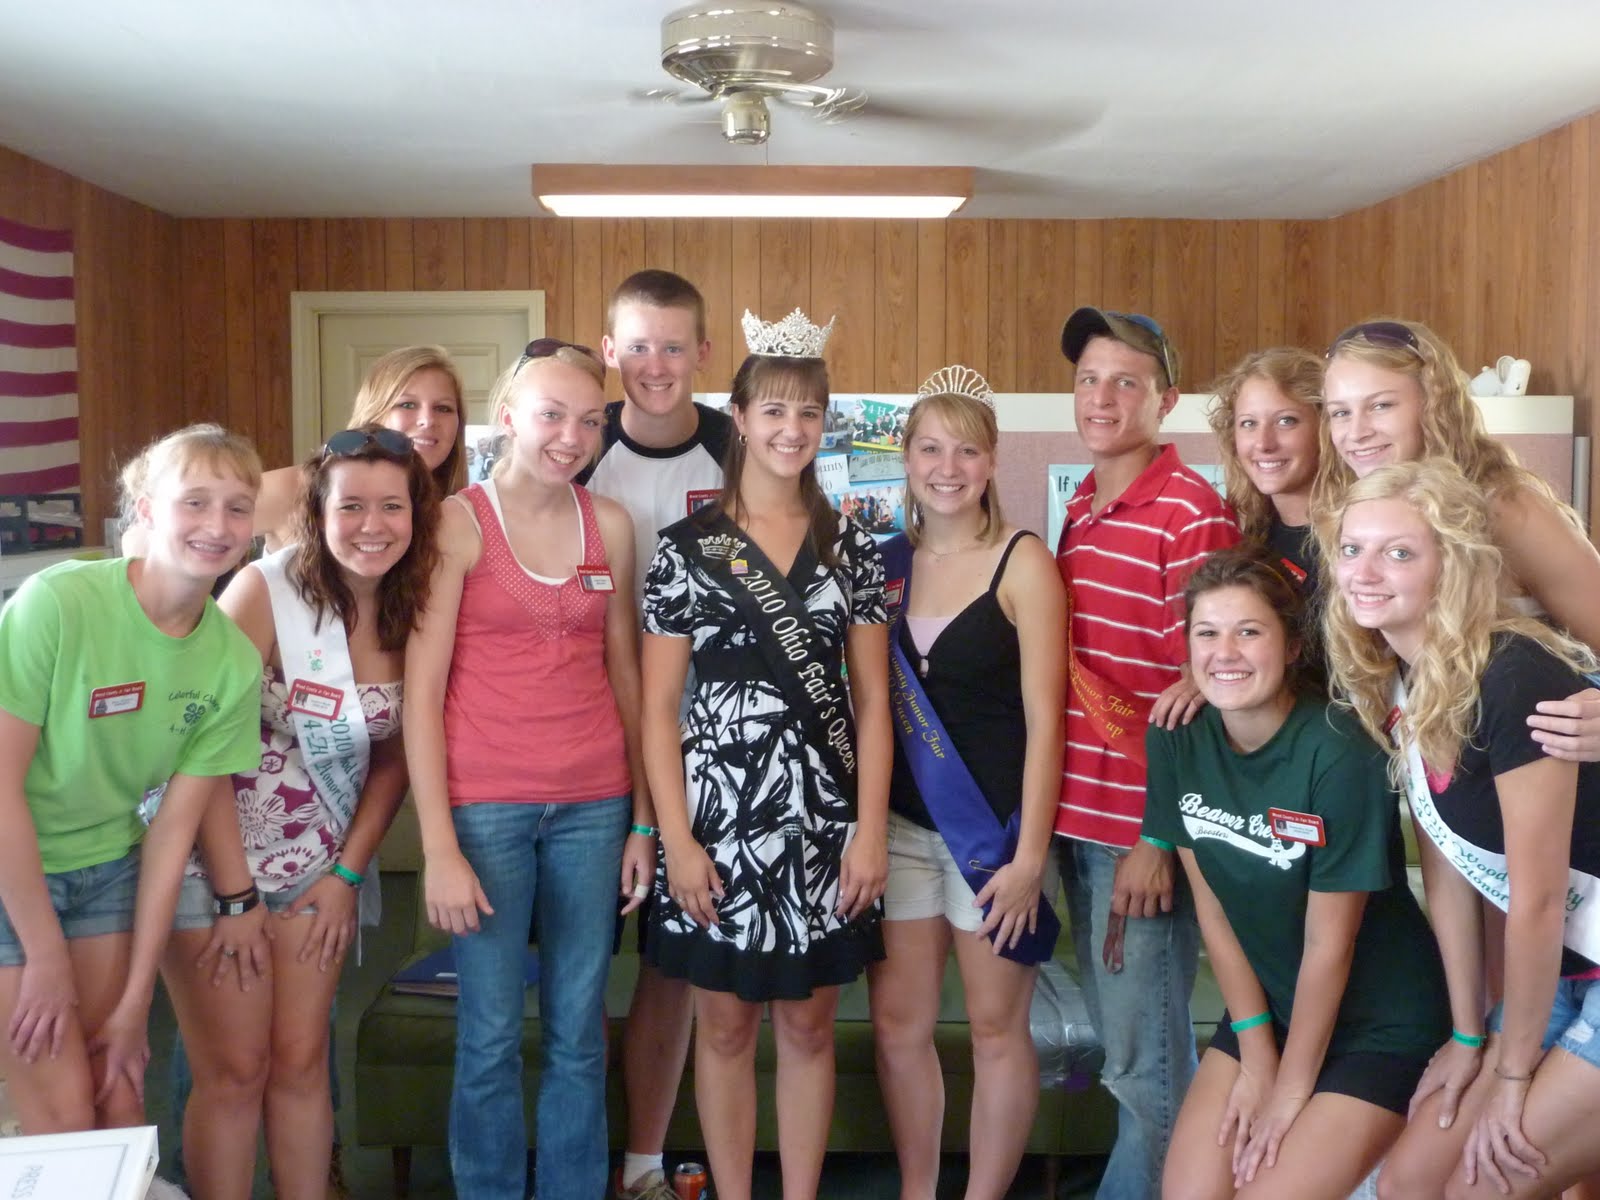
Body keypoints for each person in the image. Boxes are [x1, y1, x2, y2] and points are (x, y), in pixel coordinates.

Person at [641, 308, 890, 1200]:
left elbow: (871, 705)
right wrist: (678, 841)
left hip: (823, 826)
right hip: (716, 825)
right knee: (724, 1030)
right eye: (774, 411)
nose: (792, 430)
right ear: (738, 418)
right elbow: (661, 706)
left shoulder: (850, 546)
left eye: (809, 413)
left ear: (825, 424)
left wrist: (868, 835)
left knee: (811, 1029)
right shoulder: (683, 553)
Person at [162, 425, 440, 1200]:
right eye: (351, 505)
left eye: (391, 506)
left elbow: (394, 759)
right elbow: (200, 754)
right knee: (234, 1072)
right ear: (317, 509)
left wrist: (349, 872)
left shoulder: (417, 605)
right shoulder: (265, 590)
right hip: (211, 864)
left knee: (301, 1063)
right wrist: (234, 894)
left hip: (317, 868)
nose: (372, 525)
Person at [1312, 460, 1600, 1200]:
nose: (1365, 571)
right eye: (1352, 549)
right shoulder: (1402, 676)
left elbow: (1535, 900)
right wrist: (1472, 1034)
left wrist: (1512, 1072)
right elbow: (1447, 873)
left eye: (1399, 552)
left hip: (1576, 947)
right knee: (1411, 1182)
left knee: (1485, 1184)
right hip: (1573, 966)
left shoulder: (1515, 674)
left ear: (1453, 565)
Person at [405, 339, 647, 1200]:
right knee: (491, 1033)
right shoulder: (454, 524)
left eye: (589, 420)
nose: (570, 436)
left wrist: (645, 822)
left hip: (595, 805)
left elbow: (630, 680)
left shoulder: (609, 524)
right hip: (487, 811)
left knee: (581, 1028)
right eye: (552, 414)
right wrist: (438, 845)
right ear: (507, 416)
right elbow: (421, 693)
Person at [1147, 546, 1449, 1200]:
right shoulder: (1177, 735)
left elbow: (1329, 945)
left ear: (1290, 647)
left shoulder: (1341, 749)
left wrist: (1289, 1092)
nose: (1225, 651)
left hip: (1379, 1024)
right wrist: (1257, 1056)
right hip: (1271, 1010)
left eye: (1249, 631)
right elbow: (1215, 912)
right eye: (1207, 633)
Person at [0, 424, 264, 1135]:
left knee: (117, 1093)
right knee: (60, 1115)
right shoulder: (56, 604)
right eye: (195, 502)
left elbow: (172, 838)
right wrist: (45, 954)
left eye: (238, 507)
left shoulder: (232, 663)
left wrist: (132, 1007)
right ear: (145, 509)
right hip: (14, 872)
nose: (217, 525)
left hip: (107, 868)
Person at [1053, 306, 1239, 1199]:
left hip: (1137, 837)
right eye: (1089, 378)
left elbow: (1209, 698)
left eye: (1126, 381)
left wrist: (1159, 839)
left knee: (1146, 1067)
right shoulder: (1082, 510)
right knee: (1133, 1053)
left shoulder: (1190, 513)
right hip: (1081, 821)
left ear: (1165, 399)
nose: (1103, 397)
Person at [868, 365, 1067, 1200]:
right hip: (901, 837)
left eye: (967, 451)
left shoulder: (1024, 563)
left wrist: (1028, 857)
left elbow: (1050, 720)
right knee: (899, 1027)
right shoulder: (880, 563)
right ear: (906, 458)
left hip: (995, 838)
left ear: (991, 463)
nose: (947, 467)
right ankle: (921, 1188)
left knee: (994, 1027)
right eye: (929, 448)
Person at [589, 269, 733, 1200]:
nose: (654, 365)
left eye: (673, 346)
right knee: (574, 961)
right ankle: (580, 1140)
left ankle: (642, 1159)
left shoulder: (740, 450)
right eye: (636, 345)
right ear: (609, 352)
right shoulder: (574, 444)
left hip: (706, 745)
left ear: (703, 356)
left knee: (672, 965)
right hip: (586, 736)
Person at [1316, 318, 1600, 651]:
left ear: (1433, 404)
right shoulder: (1352, 510)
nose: (1356, 432)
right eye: (1340, 413)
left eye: (1381, 405)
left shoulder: (1506, 507)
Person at [254, 344, 466, 549]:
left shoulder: (459, 514)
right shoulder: (295, 488)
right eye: (407, 404)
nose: (428, 420)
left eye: (443, 408)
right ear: (373, 412)